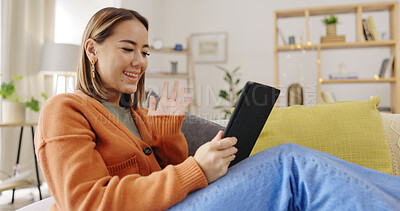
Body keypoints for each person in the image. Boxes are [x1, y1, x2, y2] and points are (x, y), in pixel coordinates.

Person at [35, 7, 400, 211]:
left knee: (292, 158)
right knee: (289, 163)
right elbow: (86, 202)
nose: (139, 61)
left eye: (145, 52)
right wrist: (196, 169)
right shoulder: (64, 109)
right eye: (127, 48)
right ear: (92, 49)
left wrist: (168, 140)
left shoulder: (139, 114)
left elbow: (166, 178)